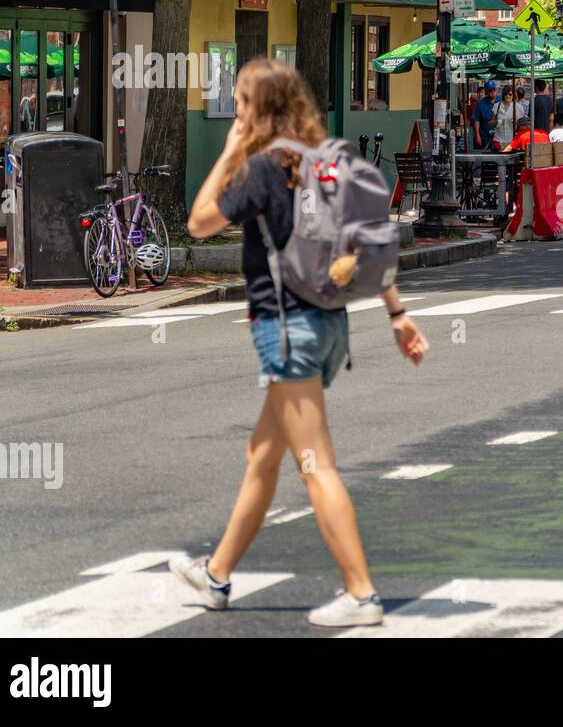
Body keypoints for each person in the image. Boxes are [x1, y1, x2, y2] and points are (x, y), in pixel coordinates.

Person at [173, 58, 429, 628]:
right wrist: (397, 315)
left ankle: (361, 594)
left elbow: (198, 222)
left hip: (288, 329)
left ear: (256, 112)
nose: (235, 113)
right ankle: (216, 575)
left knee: (317, 464)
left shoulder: (265, 168)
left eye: (240, 104)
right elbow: (363, 242)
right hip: (329, 325)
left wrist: (229, 149)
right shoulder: (326, 165)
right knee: (262, 456)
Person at [491, 86, 519, 150]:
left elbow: (522, 126)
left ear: (513, 95)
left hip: (512, 140)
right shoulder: (496, 106)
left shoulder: (518, 107)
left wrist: (516, 122)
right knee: (499, 159)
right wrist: (498, 122)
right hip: (498, 139)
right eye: (505, 94)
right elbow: (490, 124)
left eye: (510, 94)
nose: (507, 96)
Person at [473, 82, 496, 151]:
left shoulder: (500, 100)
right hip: (484, 136)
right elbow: (477, 119)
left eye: (493, 89)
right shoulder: (480, 103)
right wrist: (477, 135)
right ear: (486, 91)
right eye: (490, 90)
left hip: (498, 136)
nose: (492, 92)